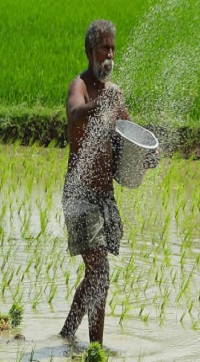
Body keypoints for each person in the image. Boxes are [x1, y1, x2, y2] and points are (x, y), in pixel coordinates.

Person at [60, 19, 154, 344]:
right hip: (80, 195)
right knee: (99, 272)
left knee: (94, 272)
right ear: (90, 52)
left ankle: (67, 333)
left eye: (113, 48)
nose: (110, 55)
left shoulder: (115, 94)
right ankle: (95, 350)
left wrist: (147, 155)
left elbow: (130, 134)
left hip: (104, 197)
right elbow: (74, 115)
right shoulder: (80, 87)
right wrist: (99, 106)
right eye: (104, 49)